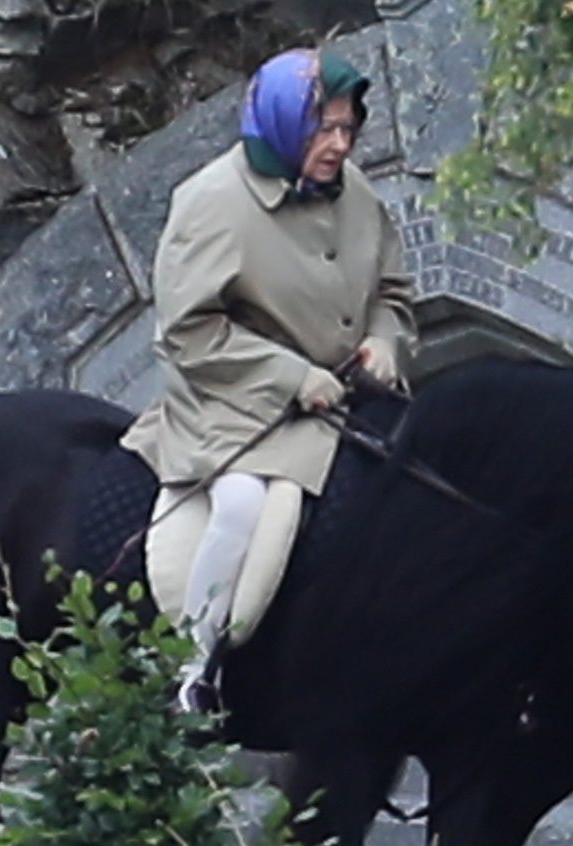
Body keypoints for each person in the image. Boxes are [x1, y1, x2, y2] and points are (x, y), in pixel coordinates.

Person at [121, 48, 416, 711]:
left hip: (346, 398)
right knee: (245, 504)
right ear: (283, 125)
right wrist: (292, 377)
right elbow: (188, 331)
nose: (340, 145)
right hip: (234, 401)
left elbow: (393, 291)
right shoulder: (211, 202)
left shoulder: (358, 193)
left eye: (348, 129)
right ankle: (196, 668)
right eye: (324, 130)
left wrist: (383, 339)